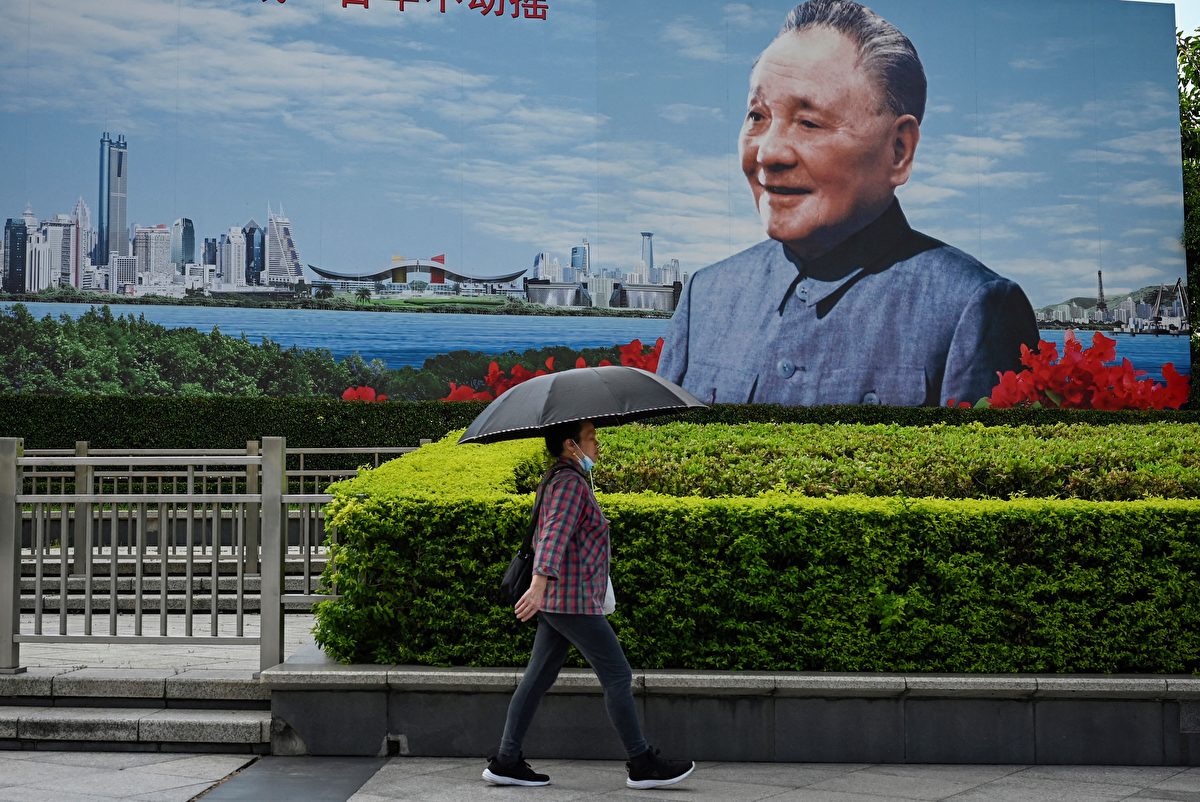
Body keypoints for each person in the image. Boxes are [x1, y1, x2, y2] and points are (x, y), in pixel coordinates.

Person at [657, 0, 1039, 407]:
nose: (769, 153)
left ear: (898, 150)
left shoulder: (972, 308)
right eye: (757, 116)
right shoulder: (707, 296)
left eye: (808, 122)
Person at [483, 419, 695, 790]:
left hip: (561, 599)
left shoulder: (561, 478)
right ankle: (642, 762)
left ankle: (505, 760)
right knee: (617, 674)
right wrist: (538, 584)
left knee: (537, 678)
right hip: (572, 600)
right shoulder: (568, 484)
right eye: (591, 438)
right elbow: (552, 536)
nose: (597, 445)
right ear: (571, 445)